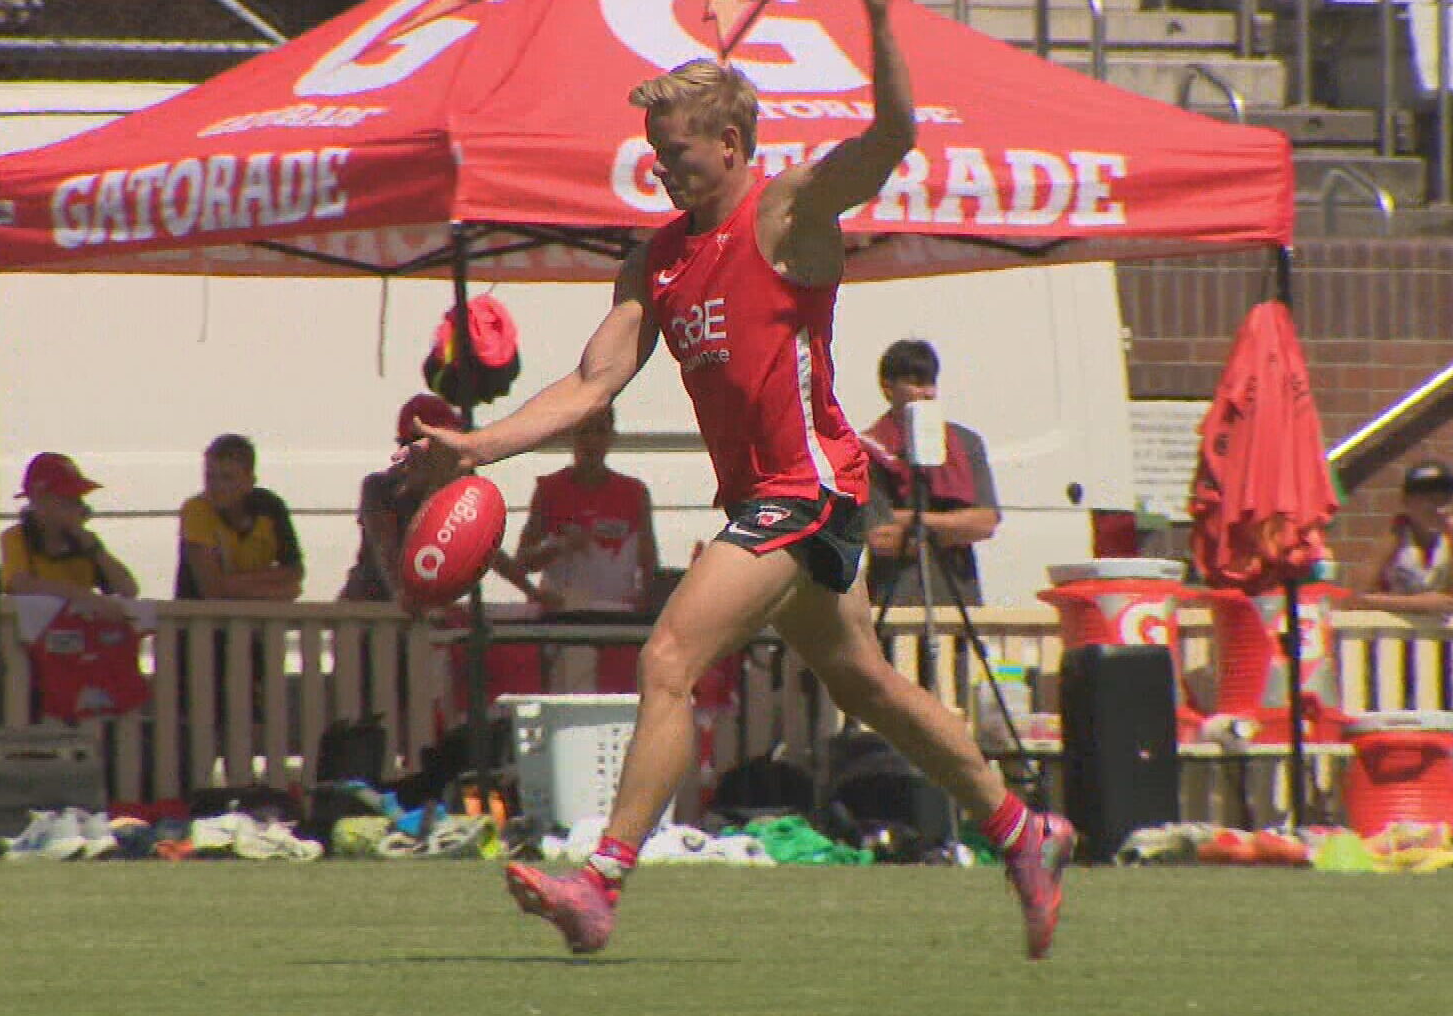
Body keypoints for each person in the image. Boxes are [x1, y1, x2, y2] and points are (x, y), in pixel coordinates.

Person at [405, 1, 1073, 960]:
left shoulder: (790, 208)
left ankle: (599, 887)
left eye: (674, 150)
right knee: (867, 687)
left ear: (729, 142)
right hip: (771, 501)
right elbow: (593, 381)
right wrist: (481, 447)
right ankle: (1023, 832)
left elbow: (890, 139)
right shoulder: (661, 257)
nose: (660, 167)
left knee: (670, 658)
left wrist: (882, 21)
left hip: (811, 489)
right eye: (652, 149)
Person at [339, 393, 549, 608]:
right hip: (370, 613)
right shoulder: (380, 488)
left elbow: (482, 543)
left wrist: (530, 590)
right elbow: (388, 552)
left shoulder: (458, 484)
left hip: (418, 616)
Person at [515, 407, 659, 693]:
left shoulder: (633, 492)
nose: (592, 442)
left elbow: (650, 564)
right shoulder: (550, 490)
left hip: (618, 620)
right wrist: (558, 546)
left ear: (611, 438)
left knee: (618, 698)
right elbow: (523, 561)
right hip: (567, 619)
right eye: (584, 432)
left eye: (600, 432)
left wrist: (647, 607)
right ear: (571, 437)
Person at [861, 338, 1001, 608]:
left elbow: (985, 523)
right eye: (916, 383)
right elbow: (880, 538)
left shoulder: (966, 443)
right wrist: (955, 528)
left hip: (958, 598)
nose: (928, 393)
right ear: (888, 388)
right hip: (895, 602)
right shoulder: (867, 450)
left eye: (931, 383)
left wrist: (911, 522)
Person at [0, 453, 138, 617]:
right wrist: (82, 596)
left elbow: (128, 589)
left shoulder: (85, 542)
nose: (77, 505)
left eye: (78, 499)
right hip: (32, 636)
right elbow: (21, 584)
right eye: (67, 498)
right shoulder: (16, 537)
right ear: (39, 499)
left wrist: (93, 547)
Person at [175, 433, 302, 602]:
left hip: (256, 626)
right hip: (200, 624)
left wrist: (231, 583)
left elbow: (295, 571)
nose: (216, 487)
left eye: (227, 478)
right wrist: (276, 592)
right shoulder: (196, 510)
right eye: (210, 477)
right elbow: (212, 590)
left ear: (250, 481)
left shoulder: (271, 508)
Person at [1347, 460, 1453, 616]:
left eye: (1444, 498)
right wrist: (1417, 604)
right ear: (1407, 502)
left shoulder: (1452, 538)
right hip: (1392, 633)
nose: (1437, 508)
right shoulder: (1396, 536)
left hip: (1436, 635)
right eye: (1428, 498)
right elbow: (1356, 598)